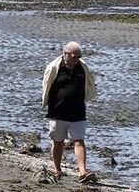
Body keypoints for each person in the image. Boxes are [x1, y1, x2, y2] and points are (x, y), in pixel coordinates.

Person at [42, 41, 98, 183]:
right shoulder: (55, 68)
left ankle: (82, 171)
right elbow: (47, 86)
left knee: (79, 140)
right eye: (74, 56)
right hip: (58, 111)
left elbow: (89, 85)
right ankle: (57, 169)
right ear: (65, 54)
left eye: (79, 56)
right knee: (58, 141)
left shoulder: (82, 68)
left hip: (78, 112)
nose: (77, 59)